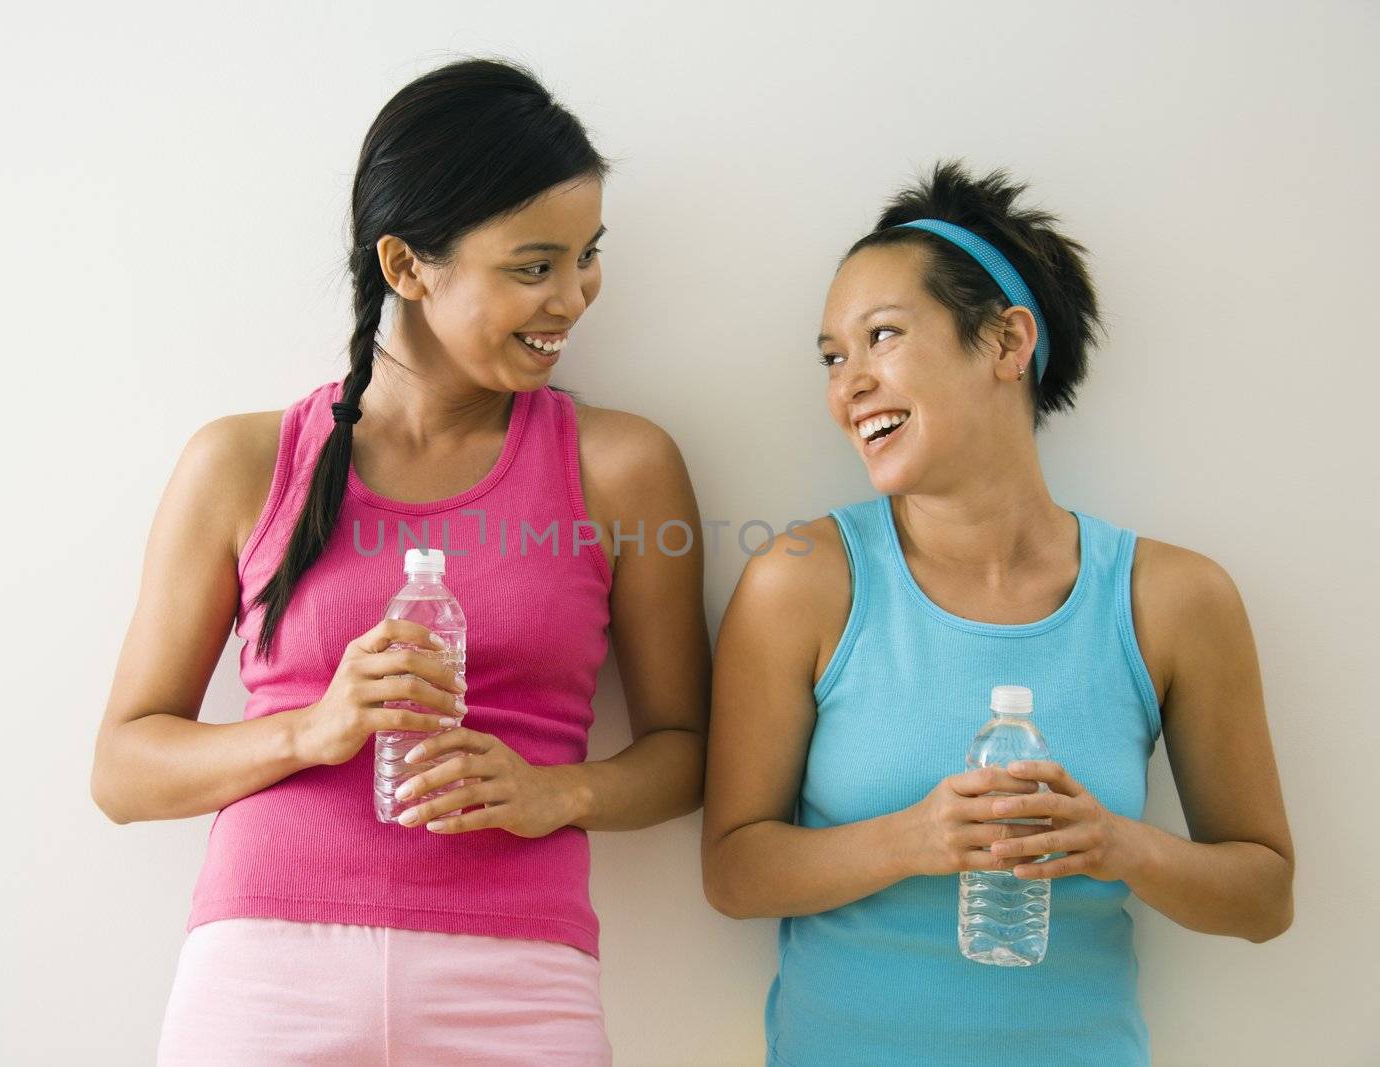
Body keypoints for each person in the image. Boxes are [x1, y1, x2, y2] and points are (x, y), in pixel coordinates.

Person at [90, 58, 710, 1066]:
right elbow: (122, 768)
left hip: (516, 975)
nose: (574, 296)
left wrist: (562, 791)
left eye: (587, 255)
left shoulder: (620, 466)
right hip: (265, 968)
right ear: (407, 265)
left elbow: (683, 748)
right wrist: (314, 728)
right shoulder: (244, 462)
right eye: (532, 264)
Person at [700, 160, 1294, 1066]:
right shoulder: (802, 581)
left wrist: (1117, 844)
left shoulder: (1173, 600)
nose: (848, 384)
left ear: (1008, 342)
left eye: (883, 336)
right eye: (832, 356)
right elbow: (735, 872)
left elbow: (1264, 896)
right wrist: (913, 838)